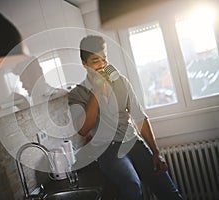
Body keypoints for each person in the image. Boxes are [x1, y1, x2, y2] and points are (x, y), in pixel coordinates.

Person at [68, 35, 183, 200]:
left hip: (133, 142)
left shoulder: (121, 82)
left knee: (168, 191)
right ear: (84, 63)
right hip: (107, 150)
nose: (102, 65)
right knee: (132, 186)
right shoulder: (77, 94)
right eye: (95, 61)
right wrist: (97, 91)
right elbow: (83, 129)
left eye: (104, 59)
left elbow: (139, 118)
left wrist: (156, 152)